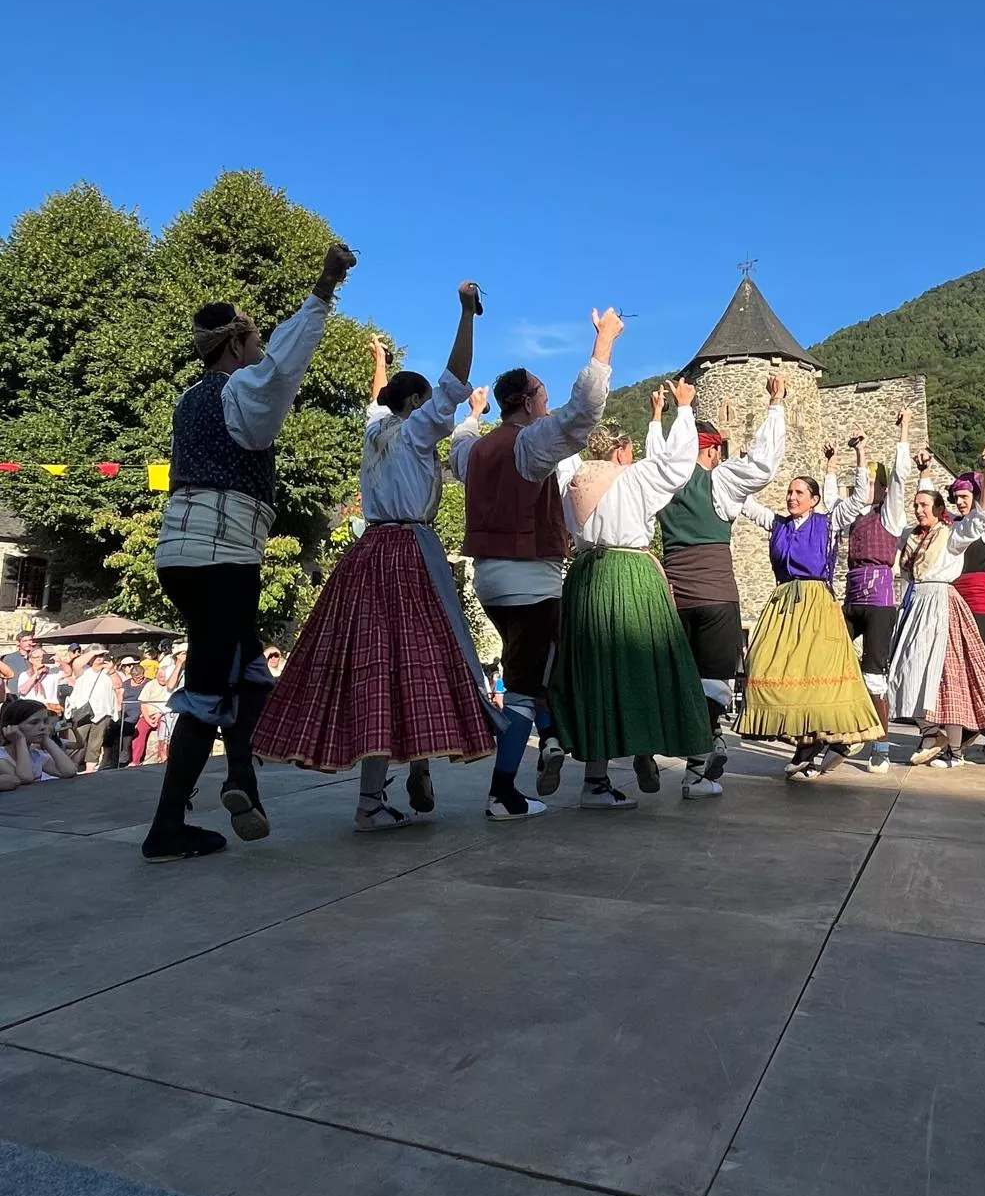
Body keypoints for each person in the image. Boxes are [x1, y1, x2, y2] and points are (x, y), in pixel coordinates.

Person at [254, 287, 514, 829]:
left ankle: (381, 791)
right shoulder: (419, 429)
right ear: (416, 404)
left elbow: (379, 400)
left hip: (366, 553)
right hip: (411, 553)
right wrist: (466, 316)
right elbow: (454, 374)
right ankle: (412, 770)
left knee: (380, 669)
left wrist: (380, 363)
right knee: (420, 659)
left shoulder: (375, 431)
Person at [140, 242, 357, 863]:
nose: (260, 351)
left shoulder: (189, 399)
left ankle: (243, 781)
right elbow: (284, 363)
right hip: (224, 550)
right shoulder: (241, 392)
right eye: (252, 341)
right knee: (211, 683)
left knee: (246, 668)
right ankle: (168, 825)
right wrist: (324, 287)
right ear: (235, 348)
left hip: (179, 549)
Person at [450, 307, 623, 815]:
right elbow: (583, 412)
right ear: (526, 404)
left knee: (534, 669)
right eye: (542, 397)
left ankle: (549, 741)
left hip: (490, 580)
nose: (548, 405)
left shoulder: (476, 450)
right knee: (525, 686)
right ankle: (503, 793)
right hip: (531, 580)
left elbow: (460, 442)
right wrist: (604, 343)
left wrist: (473, 413)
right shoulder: (529, 445)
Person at [549, 382, 714, 808]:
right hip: (632, 573)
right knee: (651, 663)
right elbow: (677, 463)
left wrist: (566, 421)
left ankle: (595, 781)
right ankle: (647, 748)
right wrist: (683, 408)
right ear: (622, 452)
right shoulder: (635, 476)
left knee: (596, 674)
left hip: (585, 577)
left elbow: (564, 454)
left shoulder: (571, 478)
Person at [649, 375, 788, 783]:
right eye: (718, 451)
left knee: (683, 677)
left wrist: (660, 418)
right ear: (707, 449)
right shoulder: (719, 480)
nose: (720, 458)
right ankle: (705, 755)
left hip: (673, 593)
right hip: (714, 591)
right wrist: (775, 405)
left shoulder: (660, 480)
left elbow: (659, 455)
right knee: (716, 679)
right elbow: (763, 464)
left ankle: (685, 757)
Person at [736, 438, 884, 778]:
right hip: (782, 607)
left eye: (799, 493)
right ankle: (805, 742)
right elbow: (745, 502)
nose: (791, 497)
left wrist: (860, 455)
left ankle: (827, 740)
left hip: (816, 605)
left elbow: (860, 497)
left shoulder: (828, 523)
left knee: (816, 678)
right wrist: (745, 462)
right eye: (790, 492)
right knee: (766, 669)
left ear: (814, 500)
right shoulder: (777, 524)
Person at [889, 454, 985, 768]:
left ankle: (964, 744)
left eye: (923, 506)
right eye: (915, 506)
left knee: (956, 673)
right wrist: (924, 472)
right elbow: (926, 502)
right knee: (905, 670)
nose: (917, 510)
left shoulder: (953, 535)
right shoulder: (916, 537)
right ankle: (933, 733)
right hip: (918, 604)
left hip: (948, 603)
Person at [836, 411, 913, 774]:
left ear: (881, 488)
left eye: (871, 482)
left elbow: (900, 477)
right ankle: (841, 732)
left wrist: (904, 430)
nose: (865, 487)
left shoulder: (891, 514)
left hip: (879, 601)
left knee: (874, 675)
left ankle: (880, 745)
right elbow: (840, 497)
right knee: (829, 651)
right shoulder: (855, 515)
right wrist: (852, 457)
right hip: (852, 597)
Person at [918, 429, 985, 659]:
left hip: (980, 605)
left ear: (977, 496)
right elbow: (928, 508)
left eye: (964, 496)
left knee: (981, 668)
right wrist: (924, 472)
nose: (959, 502)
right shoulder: (953, 527)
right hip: (949, 603)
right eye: (956, 498)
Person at [65, 649, 121, 771]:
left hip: (102, 713)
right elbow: (76, 664)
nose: (100, 658)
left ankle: (89, 771)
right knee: (77, 742)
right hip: (82, 712)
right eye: (98, 656)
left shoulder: (108, 673)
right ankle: (70, 768)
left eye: (102, 656)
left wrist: (112, 671)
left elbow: (118, 685)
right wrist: (94, 651)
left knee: (95, 745)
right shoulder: (84, 671)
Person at [1, 698, 78, 786]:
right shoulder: (2, 758)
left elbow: (69, 771)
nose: (42, 727)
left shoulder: (36, 755)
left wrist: (46, 740)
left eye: (45, 721)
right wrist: (20, 740)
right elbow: (26, 777)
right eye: (34, 723)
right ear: (12, 727)